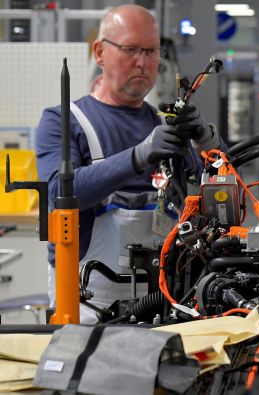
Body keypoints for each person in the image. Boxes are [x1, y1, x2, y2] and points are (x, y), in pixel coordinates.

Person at [36, 4, 222, 323]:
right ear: (99, 52)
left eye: (151, 51)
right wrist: (137, 157)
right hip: (87, 302)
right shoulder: (64, 121)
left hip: (161, 299)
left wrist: (207, 141)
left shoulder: (166, 126)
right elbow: (57, 194)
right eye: (131, 49)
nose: (142, 62)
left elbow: (221, 196)